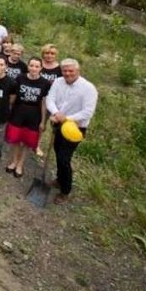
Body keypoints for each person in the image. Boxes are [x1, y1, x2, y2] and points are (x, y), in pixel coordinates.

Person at [46, 59, 98, 204]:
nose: (67, 73)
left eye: (71, 71)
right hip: (59, 123)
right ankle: (59, 179)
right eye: (65, 71)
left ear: (78, 71)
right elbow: (50, 100)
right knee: (57, 151)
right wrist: (56, 113)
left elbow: (87, 112)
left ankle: (65, 191)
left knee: (64, 158)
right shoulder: (58, 82)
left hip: (75, 128)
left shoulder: (88, 88)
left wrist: (66, 118)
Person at [5, 57, 51, 178]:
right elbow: (13, 96)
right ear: (28, 66)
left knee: (27, 141)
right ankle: (14, 161)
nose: (34, 68)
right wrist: (9, 110)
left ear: (41, 68)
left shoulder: (45, 83)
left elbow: (44, 103)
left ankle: (20, 164)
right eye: (31, 65)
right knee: (15, 139)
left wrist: (42, 121)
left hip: (34, 114)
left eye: (37, 66)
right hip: (18, 111)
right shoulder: (20, 77)